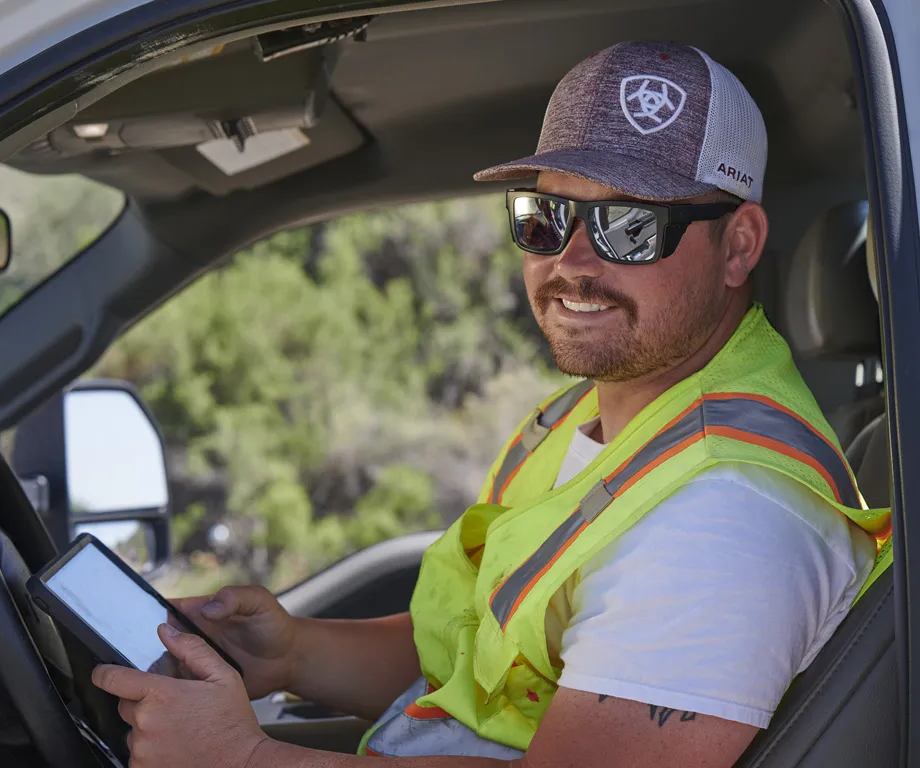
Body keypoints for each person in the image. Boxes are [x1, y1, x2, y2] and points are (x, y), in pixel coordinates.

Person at [91, 40, 889, 768]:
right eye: (544, 218)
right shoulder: (589, 420)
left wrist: (241, 759)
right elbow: (483, 661)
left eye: (630, 226)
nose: (572, 262)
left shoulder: (727, 519)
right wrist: (293, 654)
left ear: (740, 245)